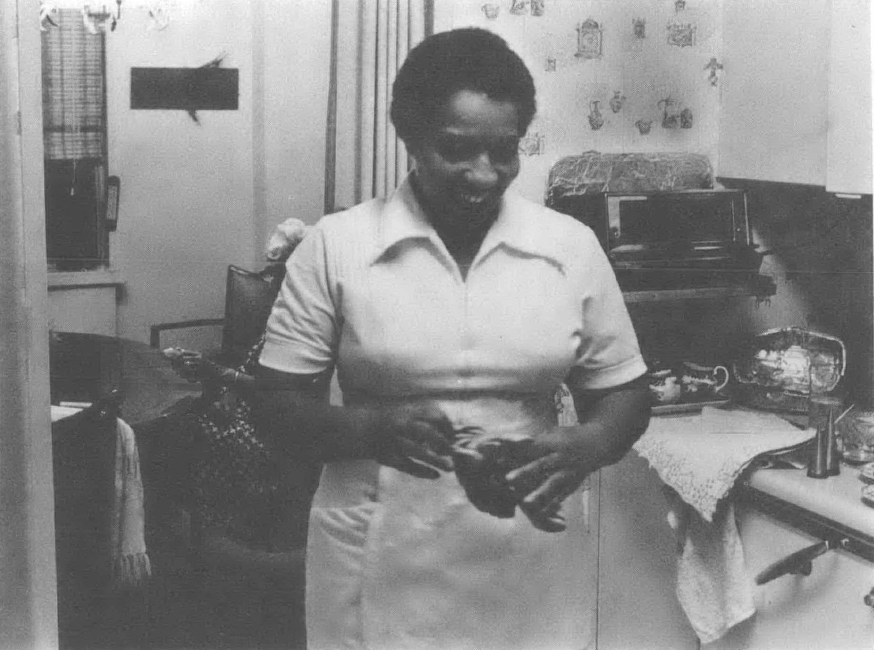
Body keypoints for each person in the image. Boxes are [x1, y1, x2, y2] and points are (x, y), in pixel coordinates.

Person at [254, 27, 651, 650]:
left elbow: (626, 391)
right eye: (457, 149)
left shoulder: (568, 247)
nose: (484, 173)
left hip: (530, 545)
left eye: (506, 150)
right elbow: (273, 406)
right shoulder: (337, 246)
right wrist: (369, 430)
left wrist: (591, 442)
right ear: (409, 137)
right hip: (379, 545)